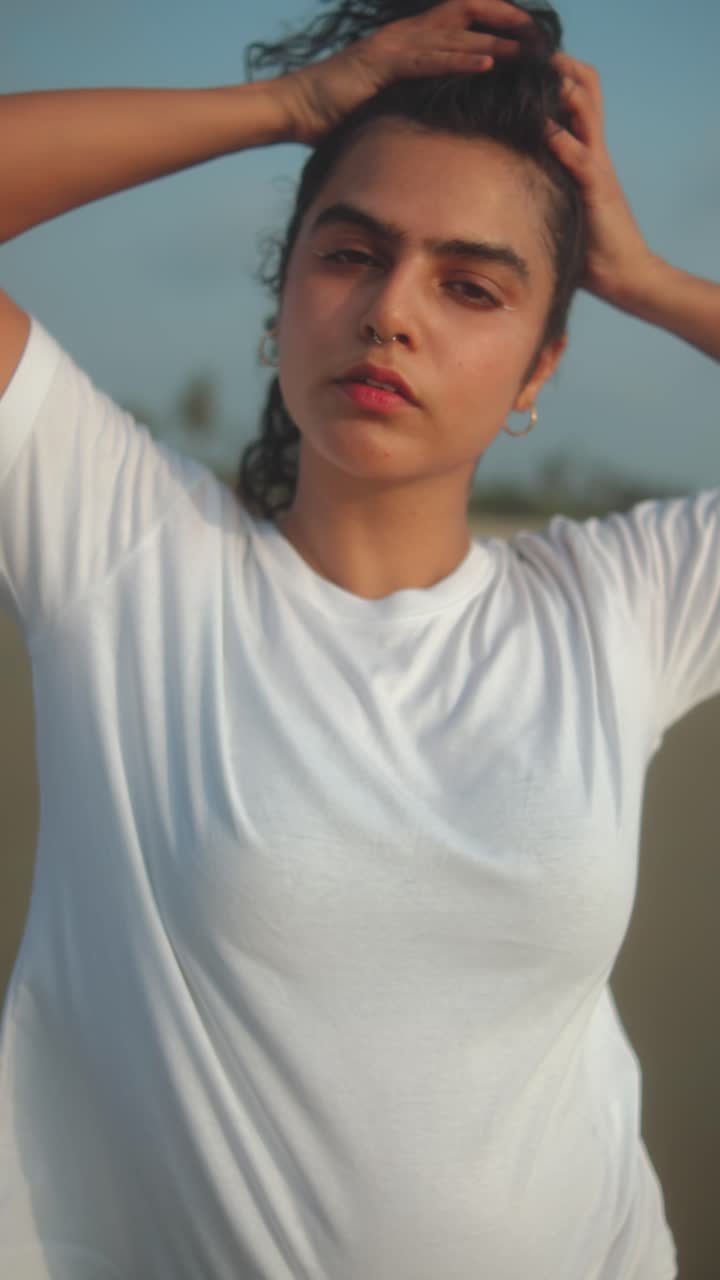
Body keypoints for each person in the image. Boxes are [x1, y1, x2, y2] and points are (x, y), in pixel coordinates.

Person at [0, 1, 717, 1276]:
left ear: (540, 363)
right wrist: (289, 107)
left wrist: (647, 280)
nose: (394, 313)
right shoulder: (124, 558)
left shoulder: (620, 606)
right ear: (284, 298)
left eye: (471, 285)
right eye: (351, 254)